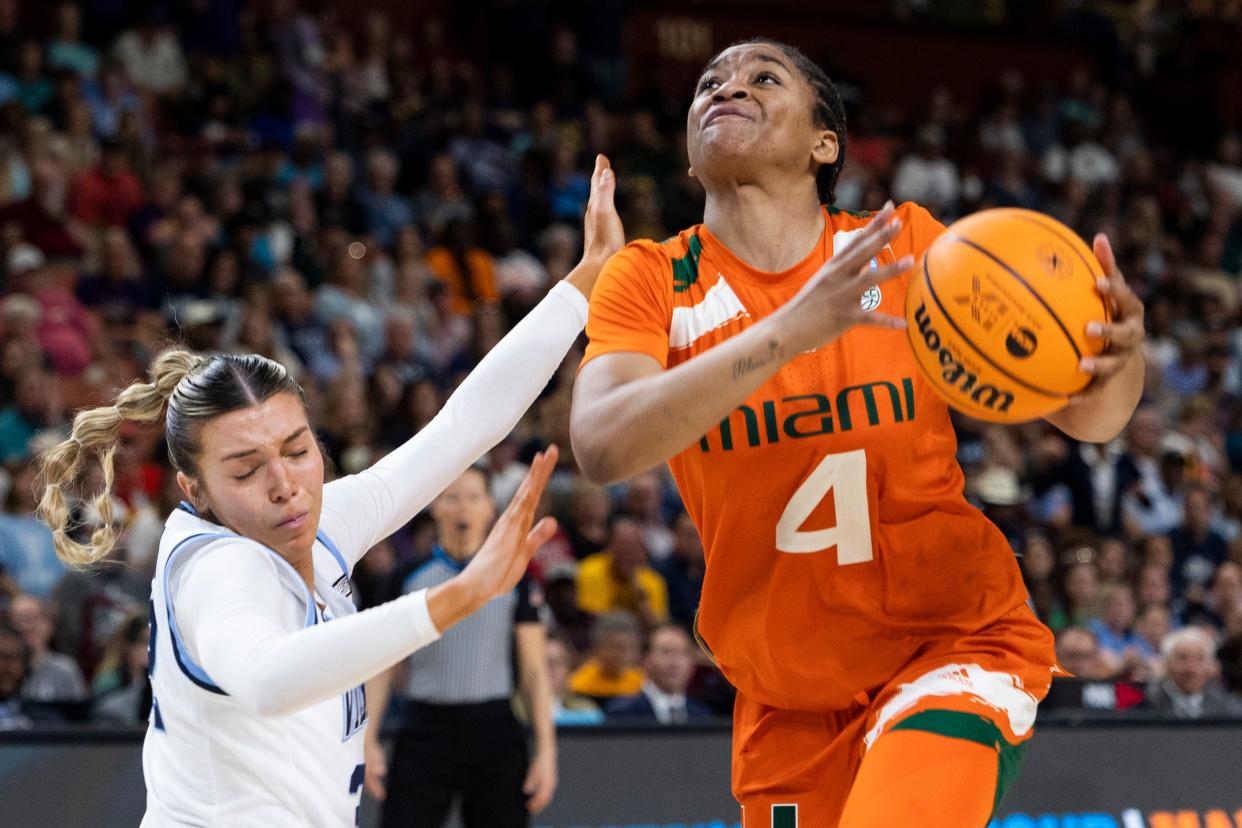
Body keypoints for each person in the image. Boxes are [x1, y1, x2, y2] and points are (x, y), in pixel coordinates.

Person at [570, 38, 1146, 826]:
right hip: (787, 694)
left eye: (762, 78)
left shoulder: (906, 247)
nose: (725, 88)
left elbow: (1092, 418)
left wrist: (1117, 359)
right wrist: (788, 332)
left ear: (824, 143)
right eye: (708, 82)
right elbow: (601, 443)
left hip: (950, 642)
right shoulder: (651, 279)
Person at [34, 157, 624, 827]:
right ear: (193, 490)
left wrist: (585, 283)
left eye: (296, 450)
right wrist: (455, 598)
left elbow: (461, 429)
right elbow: (265, 679)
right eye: (247, 469)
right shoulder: (217, 568)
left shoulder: (322, 520)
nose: (286, 485)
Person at [364, 467, 557, 827]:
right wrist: (369, 738)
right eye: (451, 497)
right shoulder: (404, 578)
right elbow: (382, 664)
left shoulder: (514, 576)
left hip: (495, 731)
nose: (462, 509)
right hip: (424, 729)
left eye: (473, 498)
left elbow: (533, 670)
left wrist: (546, 752)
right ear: (435, 506)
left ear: (489, 507)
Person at [607, 623, 713, 723]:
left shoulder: (702, 715)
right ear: (645, 659)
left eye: (682, 653)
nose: (674, 663)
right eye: (665, 652)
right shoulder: (623, 713)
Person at [575, 516, 669, 627]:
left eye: (634, 550)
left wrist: (640, 600)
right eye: (622, 548)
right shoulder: (590, 570)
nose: (628, 556)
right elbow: (592, 620)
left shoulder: (653, 581)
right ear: (609, 548)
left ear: (644, 553)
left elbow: (657, 626)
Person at [1144, 627, 1242, 719]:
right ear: (1167, 664)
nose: (1191, 669)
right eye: (1182, 658)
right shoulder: (1146, 703)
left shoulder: (1229, 708)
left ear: (1210, 666)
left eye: (1199, 660)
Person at [7, 593, 86, 704]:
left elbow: (78, 715)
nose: (26, 627)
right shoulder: (5, 670)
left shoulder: (65, 668)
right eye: (18, 620)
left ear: (49, 624)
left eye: (32, 618)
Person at [568, 611, 645, 706]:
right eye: (614, 647)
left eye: (626, 648)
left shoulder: (643, 685)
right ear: (597, 648)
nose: (620, 655)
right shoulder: (578, 685)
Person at [544, 632, 604, 725]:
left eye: (558, 662)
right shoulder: (515, 713)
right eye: (545, 662)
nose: (552, 668)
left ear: (568, 668)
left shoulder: (587, 712)